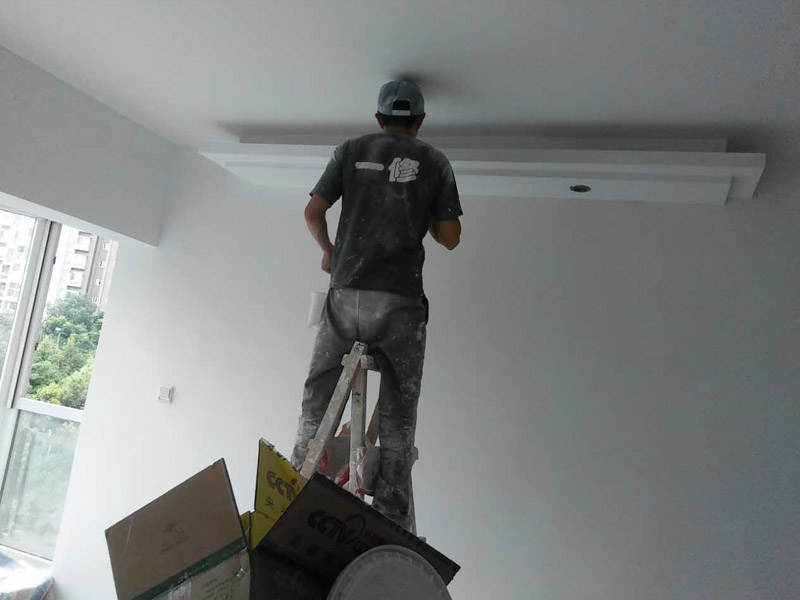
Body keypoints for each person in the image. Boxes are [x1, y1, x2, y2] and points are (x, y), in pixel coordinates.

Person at [290, 80, 462, 531]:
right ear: (420, 122)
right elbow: (450, 238)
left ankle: (295, 483)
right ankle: (390, 508)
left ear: (379, 119)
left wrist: (329, 251)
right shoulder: (435, 162)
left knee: (318, 393)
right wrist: (424, 211)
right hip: (401, 305)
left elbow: (312, 212)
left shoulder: (350, 150)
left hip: (346, 294)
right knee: (399, 409)